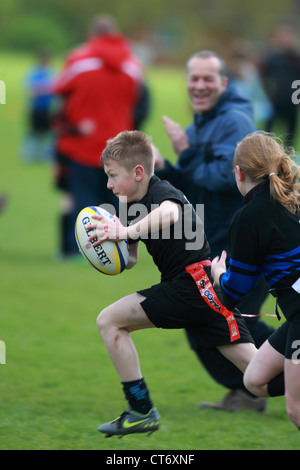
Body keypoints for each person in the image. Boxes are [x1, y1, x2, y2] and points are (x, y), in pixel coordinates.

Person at [86, 129, 256, 437]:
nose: (109, 184)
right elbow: (132, 259)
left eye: (113, 176)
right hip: (202, 290)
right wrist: (108, 248)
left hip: (191, 286)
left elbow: (170, 213)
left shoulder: (162, 192)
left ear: (139, 172)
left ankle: (140, 411)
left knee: (109, 321)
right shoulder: (132, 203)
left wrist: (122, 233)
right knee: (259, 376)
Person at [155, 50, 273, 412]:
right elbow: (196, 186)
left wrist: (186, 155)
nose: (200, 85)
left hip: (247, 243)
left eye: (209, 78)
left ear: (223, 83)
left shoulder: (234, 120)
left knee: (227, 318)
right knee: (204, 318)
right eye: (194, 78)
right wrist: (166, 168)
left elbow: (228, 177)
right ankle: (248, 391)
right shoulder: (201, 124)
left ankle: (271, 373)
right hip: (215, 242)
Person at [211, 131, 300, 430]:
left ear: (239, 172)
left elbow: (237, 290)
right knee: (255, 379)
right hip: (295, 315)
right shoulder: (293, 197)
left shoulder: (249, 216)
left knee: (296, 410)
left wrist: (219, 275)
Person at [52, 14, 149, 259]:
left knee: (82, 197)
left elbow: (58, 90)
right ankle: (119, 247)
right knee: (115, 197)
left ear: (92, 35)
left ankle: (77, 251)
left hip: (84, 143)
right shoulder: (134, 65)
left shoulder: (78, 59)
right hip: (118, 144)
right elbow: (142, 102)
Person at [260, 24, 300, 149]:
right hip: (275, 100)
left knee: (290, 132)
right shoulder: (273, 57)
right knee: (268, 130)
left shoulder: (296, 57)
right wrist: (268, 94)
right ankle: (265, 151)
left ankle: (288, 157)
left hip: (292, 99)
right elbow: (265, 77)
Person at [21, 49, 55, 163]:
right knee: (33, 132)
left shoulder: (52, 72)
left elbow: (55, 88)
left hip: (48, 108)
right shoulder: (33, 72)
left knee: (47, 133)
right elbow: (30, 90)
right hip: (35, 107)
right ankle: (30, 155)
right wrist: (45, 88)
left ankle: (45, 156)